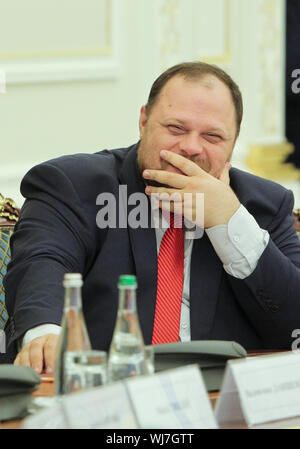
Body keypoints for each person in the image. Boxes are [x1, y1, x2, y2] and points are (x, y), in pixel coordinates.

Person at [3, 62, 300, 374]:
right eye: (175, 129)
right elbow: (43, 261)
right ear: (143, 121)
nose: (191, 147)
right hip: (104, 397)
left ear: (233, 144)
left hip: (220, 404)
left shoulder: (263, 205)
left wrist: (229, 221)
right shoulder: (74, 185)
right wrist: (45, 334)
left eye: (212, 136)